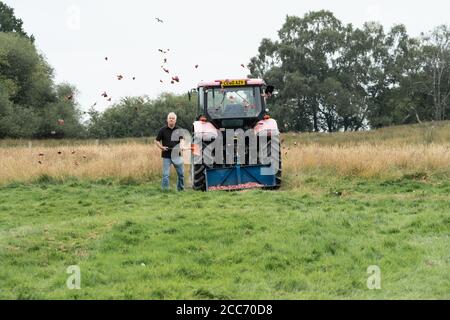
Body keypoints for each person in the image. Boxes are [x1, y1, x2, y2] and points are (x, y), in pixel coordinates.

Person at [155, 112, 185, 191]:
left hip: (177, 155)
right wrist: (161, 147)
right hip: (166, 155)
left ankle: (180, 189)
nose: (171, 119)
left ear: (175, 120)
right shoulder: (162, 130)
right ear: (167, 120)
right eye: (170, 118)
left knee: (181, 174)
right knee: (165, 175)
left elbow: (182, 140)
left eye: (173, 118)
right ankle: (165, 191)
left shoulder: (179, 130)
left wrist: (181, 146)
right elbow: (156, 141)